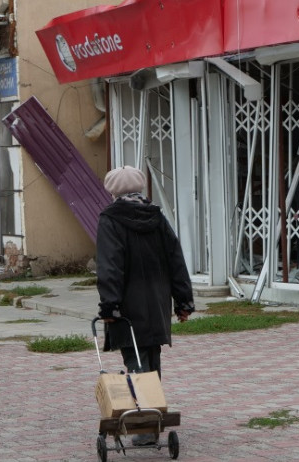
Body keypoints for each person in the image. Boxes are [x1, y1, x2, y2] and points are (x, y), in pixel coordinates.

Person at [96, 166, 194, 444]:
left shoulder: (110, 220)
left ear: (112, 190)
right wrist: (183, 300)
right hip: (156, 304)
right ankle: (150, 424)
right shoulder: (156, 216)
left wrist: (109, 306)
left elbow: (110, 266)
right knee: (151, 362)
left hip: (127, 307)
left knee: (135, 363)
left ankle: (143, 428)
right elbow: (176, 259)